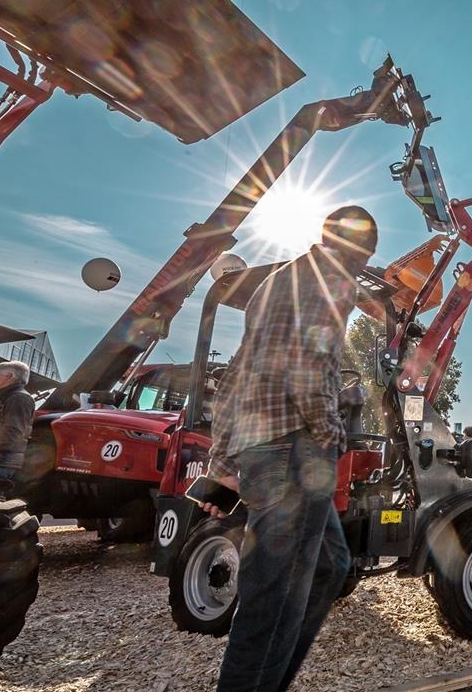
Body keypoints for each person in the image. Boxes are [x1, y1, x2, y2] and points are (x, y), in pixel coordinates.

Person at [202, 205, 376, 692]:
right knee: (275, 599)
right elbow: (308, 365)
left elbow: (236, 372)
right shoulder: (331, 281)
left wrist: (223, 456)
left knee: (330, 566)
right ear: (354, 247)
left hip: (262, 447)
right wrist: (331, 433)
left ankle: (268, 681)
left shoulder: (271, 284)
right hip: (297, 453)